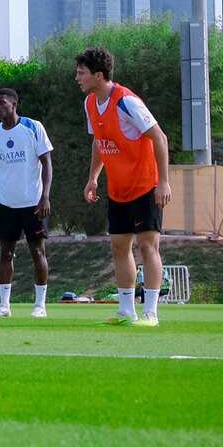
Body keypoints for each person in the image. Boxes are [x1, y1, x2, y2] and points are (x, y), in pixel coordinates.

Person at [76, 47, 171, 327]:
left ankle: (151, 313)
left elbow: (160, 138)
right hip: (118, 189)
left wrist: (163, 182)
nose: (77, 78)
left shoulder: (126, 102)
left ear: (99, 74)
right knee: (119, 247)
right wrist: (93, 177)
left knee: (147, 246)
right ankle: (126, 311)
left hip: (144, 186)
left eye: (81, 73)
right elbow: (98, 142)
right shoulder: (90, 103)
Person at [0, 89, 53, 319]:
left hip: (33, 203)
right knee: (6, 253)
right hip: (6, 205)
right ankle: (4, 306)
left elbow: (47, 163)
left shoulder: (33, 127)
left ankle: (40, 305)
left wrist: (45, 196)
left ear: (14, 104)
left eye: (1, 102)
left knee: (37, 252)